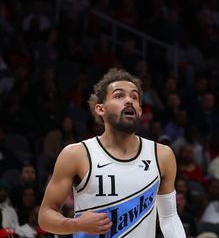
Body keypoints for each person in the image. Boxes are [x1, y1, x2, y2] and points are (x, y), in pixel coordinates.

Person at [39, 68, 186, 237]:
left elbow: (169, 217)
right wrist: (76, 224)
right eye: (119, 95)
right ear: (100, 109)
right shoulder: (76, 154)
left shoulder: (162, 155)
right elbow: (45, 216)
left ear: (139, 111)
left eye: (134, 97)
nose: (129, 100)